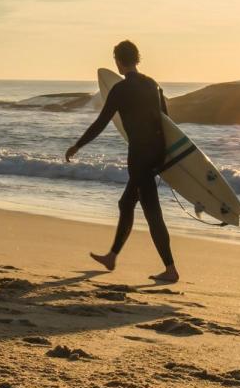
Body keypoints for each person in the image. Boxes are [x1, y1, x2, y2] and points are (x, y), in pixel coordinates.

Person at [65, 40, 179, 282]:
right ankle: (112, 256)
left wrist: (78, 145)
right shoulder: (153, 85)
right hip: (156, 153)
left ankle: (170, 269)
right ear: (137, 58)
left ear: (118, 60)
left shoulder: (120, 90)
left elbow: (101, 122)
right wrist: (167, 158)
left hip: (139, 157)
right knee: (126, 204)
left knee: (152, 213)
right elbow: (167, 123)